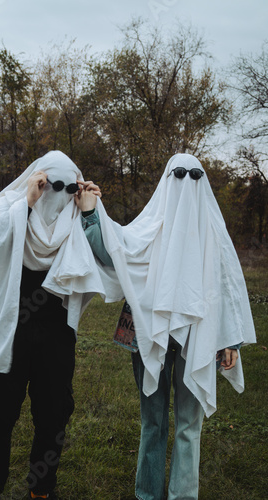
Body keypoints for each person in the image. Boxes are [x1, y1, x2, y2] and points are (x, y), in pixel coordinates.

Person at [75, 153, 256, 500]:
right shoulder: (150, 227)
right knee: (152, 422)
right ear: (166, 179)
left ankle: (182, 496)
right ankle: (147, 494)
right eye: (179, 175)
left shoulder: (213, 235)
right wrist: (90, 213)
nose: (186, 184)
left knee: (190, 426)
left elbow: (228, 289)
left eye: (195, 176)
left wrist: (230, 341)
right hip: (149, 335)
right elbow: (115, 250)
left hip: (198, 339)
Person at [0, 151, 103, 500]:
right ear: (37, 182)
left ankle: (41, 489)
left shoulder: (77, 217)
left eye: (67, 187)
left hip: (56, 332)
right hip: (11, 327)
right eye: (51, 185)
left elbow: (111, 255)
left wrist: (90, 209)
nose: (59, 194)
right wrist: (26, 203)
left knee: (53, 412)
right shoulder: (12, 206)